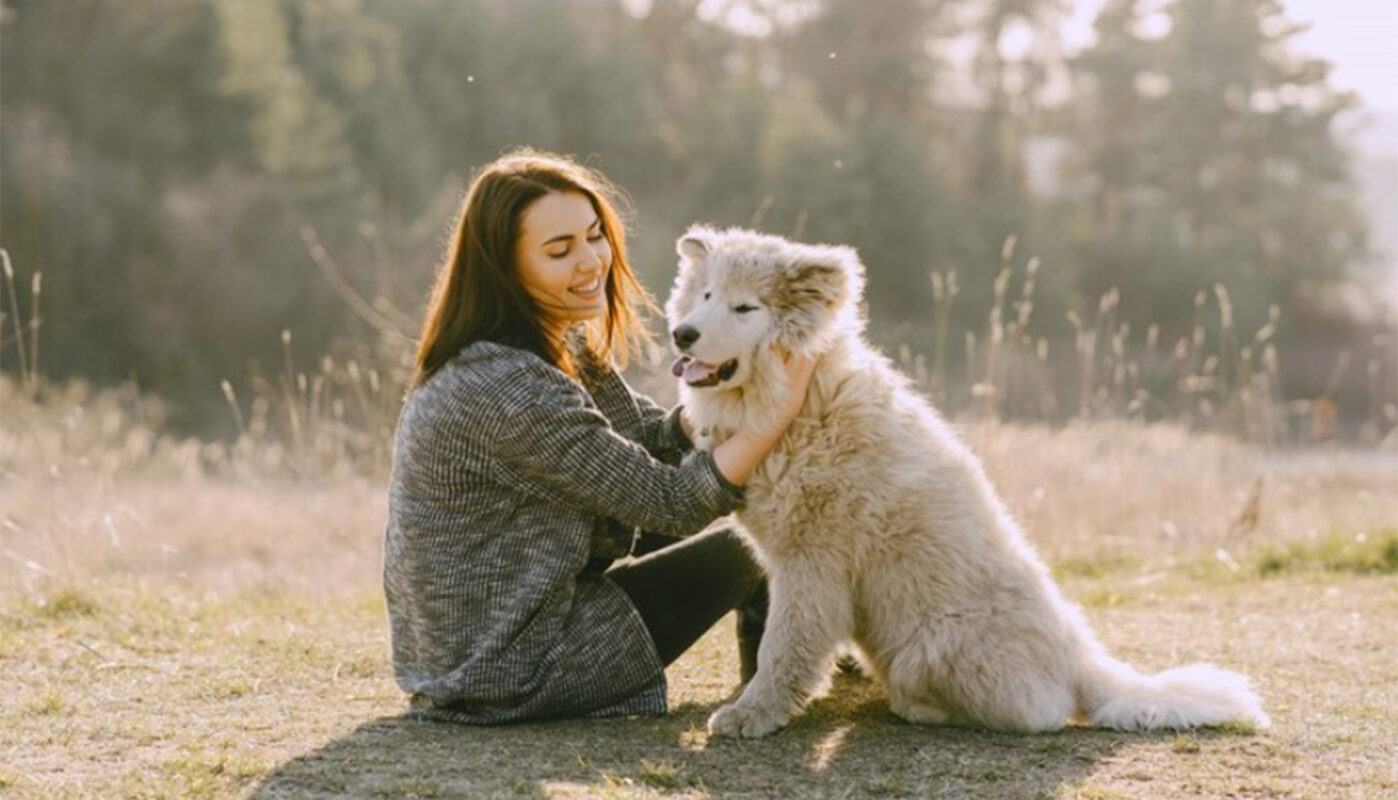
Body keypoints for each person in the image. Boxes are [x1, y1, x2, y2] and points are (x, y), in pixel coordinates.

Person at [383, 149, 815, 724]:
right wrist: (776, 411)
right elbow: (672, 502)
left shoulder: (556, 344)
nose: (591, 261)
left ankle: (793, 673)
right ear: (504, 268)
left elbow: (648, 441)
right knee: (766, 541)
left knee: (779, 503)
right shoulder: (504, 387)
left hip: (501, 634)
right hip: (509, 664)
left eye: (594, 236)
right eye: (560, 250)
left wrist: (735, 393)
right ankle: (771, 695)